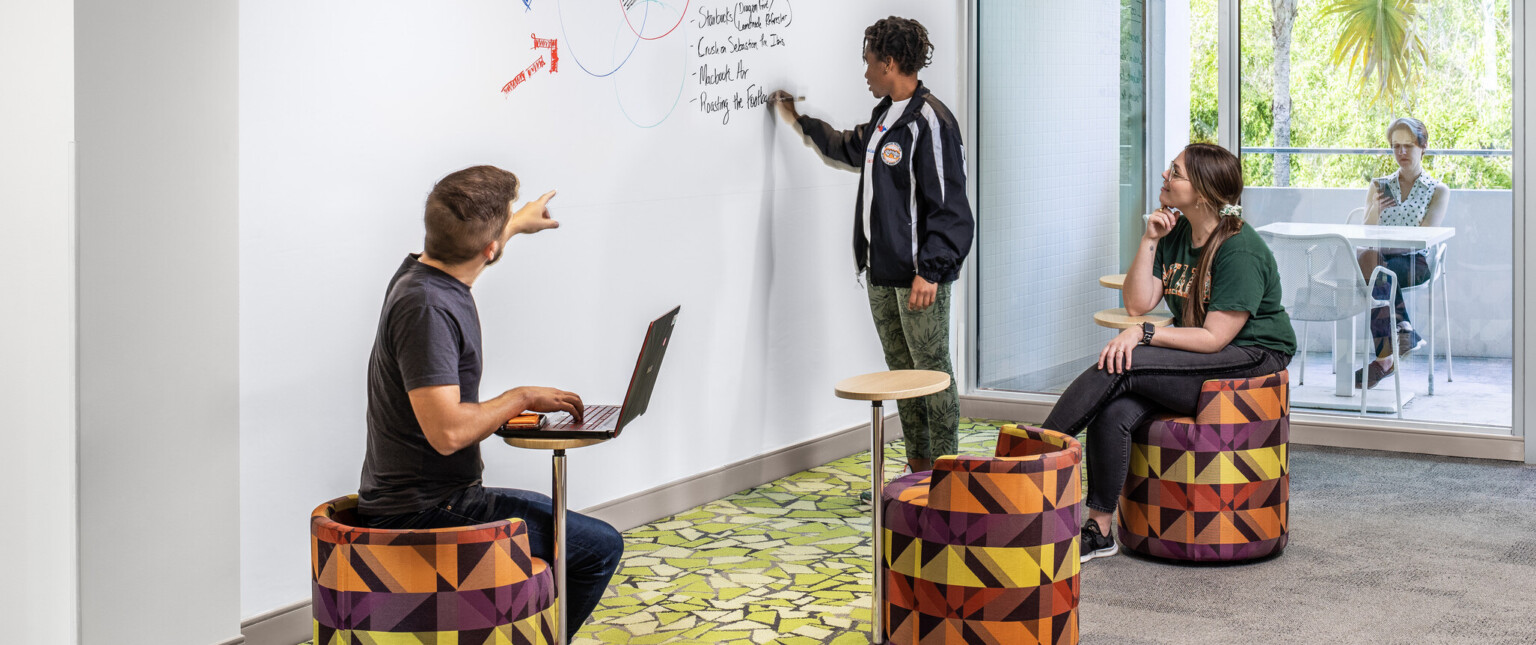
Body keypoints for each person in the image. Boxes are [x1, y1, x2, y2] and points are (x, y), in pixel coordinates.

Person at [355, 166, 623, 637]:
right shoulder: (427, 309)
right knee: (599, 547)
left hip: (444, 498)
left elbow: (473, 244)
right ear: (489, 248)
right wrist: (520, 396)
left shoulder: (420, 272)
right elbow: (448, 432)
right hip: (423, 512)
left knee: (556, 518)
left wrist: (515, 222)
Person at [1040, 144, 1296, 563]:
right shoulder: (1177, 232)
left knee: (1126, 362)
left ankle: (1029, 459)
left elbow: (1214, 338)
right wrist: (1150, 240)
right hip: (1215, 350)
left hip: (1254, 354)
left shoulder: (1240, 249)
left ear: (1203, 191)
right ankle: (1099, 529)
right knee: (1116, 407)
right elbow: (1138, 304)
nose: (1164, 174)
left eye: (1175, 172)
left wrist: (1143, 336)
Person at [769, 17, 974, 499]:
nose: (863, 71)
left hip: (918, 279)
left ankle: (945, 481)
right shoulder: (887, 114)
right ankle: (917, 471)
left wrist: (932, 269)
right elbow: (848, 147)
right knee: (903, 375)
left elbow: (951, 207)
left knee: (933, 373)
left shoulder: (931, 121)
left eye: (868, 62)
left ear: (890, 62)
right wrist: (799, 121)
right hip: (881, 274)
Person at [1354, 117, 1450, 389]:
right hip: (1382, 259)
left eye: (1408, 146)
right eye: (1396, 146)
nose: (1402, 153)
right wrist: (1376, 210)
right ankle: (1402, 336)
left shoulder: (1438, 191)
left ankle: (1385, 357)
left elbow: (1423, 237)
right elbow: (1367, 232)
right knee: (1372, 262)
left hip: (1415, 262)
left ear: (1423, 147)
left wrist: (1386, 241)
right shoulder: (1379, 186)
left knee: (1373, 269)